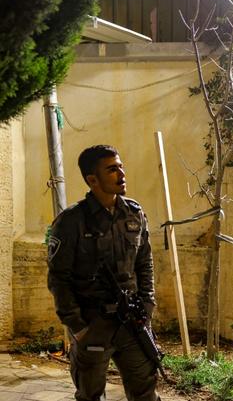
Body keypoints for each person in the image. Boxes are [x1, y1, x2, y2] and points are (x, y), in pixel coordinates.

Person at [47, 145, 160, 401]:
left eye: (120, 166)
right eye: (112, 169)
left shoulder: (134, 213)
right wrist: (78, 327)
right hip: (93, 323)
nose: (121, 173)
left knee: (145, 393)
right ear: (92, 180)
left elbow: (145, 263)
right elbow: (58, 278)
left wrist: (148, 304)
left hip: (132, 322)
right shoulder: (71, 221)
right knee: (90, 395)